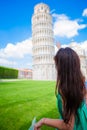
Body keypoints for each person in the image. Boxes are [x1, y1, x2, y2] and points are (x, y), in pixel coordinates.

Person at [34, 47, 87, 130]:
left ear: (61, 68)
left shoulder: (65, 91)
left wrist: (43, 120)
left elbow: (68, 126)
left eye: (57, 65)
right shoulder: (82, 84)